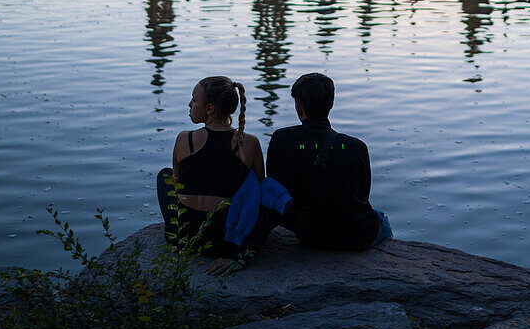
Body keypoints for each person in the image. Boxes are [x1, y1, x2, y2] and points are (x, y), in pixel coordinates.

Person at [266, 72, 392, 251]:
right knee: (382, 219)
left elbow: (275, 192)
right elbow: (362, 196)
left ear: (299, 108)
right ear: (331, 104)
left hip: (307, 232)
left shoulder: (281, 139)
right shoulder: (357, 147)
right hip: (354, 236)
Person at [157, 76, 264, 272]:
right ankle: (241, 250)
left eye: (194, 99)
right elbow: (258, 193)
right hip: (223, 243)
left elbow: (177, 183)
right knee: (263, 189)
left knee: (165, 176)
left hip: (184, 238)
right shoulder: (250, 143)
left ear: (210, 109)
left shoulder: (184, 139)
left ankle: (173, 228)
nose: (189, 104)